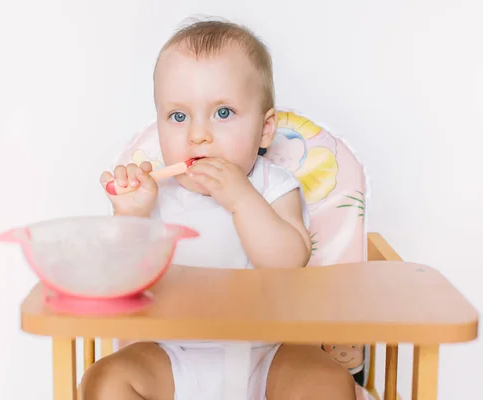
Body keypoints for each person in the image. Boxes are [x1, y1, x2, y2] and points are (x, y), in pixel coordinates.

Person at [82, 18, 356, 400]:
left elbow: (288, 260)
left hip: (268, 352)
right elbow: (120, 281)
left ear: (265, 129)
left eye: (223, 113)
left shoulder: (271, 186)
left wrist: (241, 198)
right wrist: (131, 217)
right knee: (104, 379)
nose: (198, 134)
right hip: (173, 352)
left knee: (327, 382)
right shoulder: (155, 194)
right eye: (178, 116)